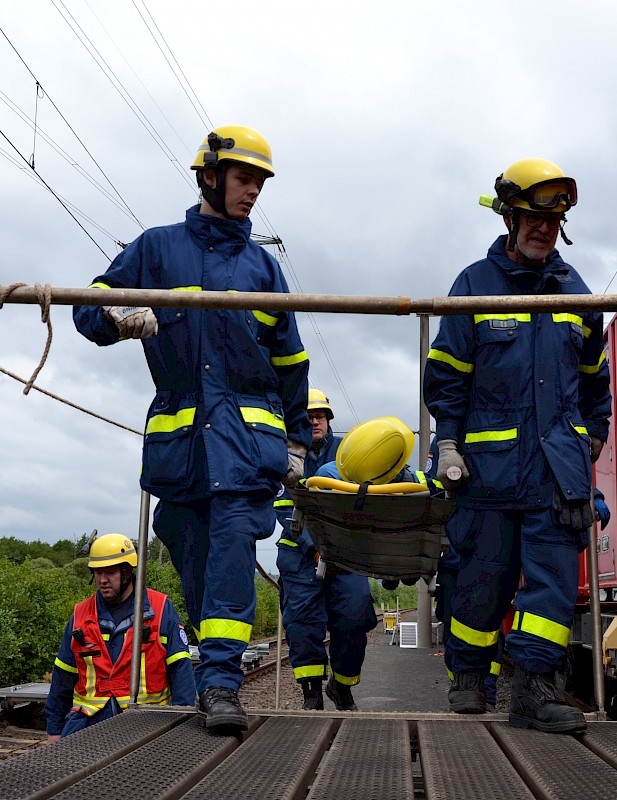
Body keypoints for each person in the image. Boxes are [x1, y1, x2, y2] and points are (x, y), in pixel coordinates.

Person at [72, 125, 310, 732]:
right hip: (181, 448)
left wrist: (298, 442)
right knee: (194, 559)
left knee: (231, 557)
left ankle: (221, 684)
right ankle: (214, 663)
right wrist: (119, 316)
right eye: (244, 178)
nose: (253, 191)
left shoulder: (263, 268)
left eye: (260, 181)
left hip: (245, 446)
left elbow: (291, 362)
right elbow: (86, 306)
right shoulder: (155, 249)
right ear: (210, 175)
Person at [423, 157, 612, 733]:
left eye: (552, 222)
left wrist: (590, 441)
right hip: (487, 471)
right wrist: (448, 444)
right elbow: (446, 379)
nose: (542, 230)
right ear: (509, 216)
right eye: (531, 217)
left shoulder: (577, 293)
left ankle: (534, 689)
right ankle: (469, 676)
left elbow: (594, 382)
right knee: (483, 582)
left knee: (554, 583)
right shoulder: (473, 286)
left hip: (555, 470)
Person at [272, 390, 378, 710]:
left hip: (346, 553)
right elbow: (281, 504)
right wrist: (315, 546)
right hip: (300, 554)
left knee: (356, 612)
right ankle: (311, 695)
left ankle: (342, 685)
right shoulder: (286, 454)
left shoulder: (351, 451)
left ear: (328, 419)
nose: (314, 421)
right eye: (307, 416)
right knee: (303, 623)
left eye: (319, 415)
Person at [45, 533, 195, 741]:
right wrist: (54, 730)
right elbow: (63, 676)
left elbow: (181, 672)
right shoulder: (81, 615)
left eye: (110, 572)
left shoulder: (160, 610)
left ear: (127, 572)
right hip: (87, 727)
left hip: (147, 725)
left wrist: (182, 726)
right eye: (97, 572)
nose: (102, 580)